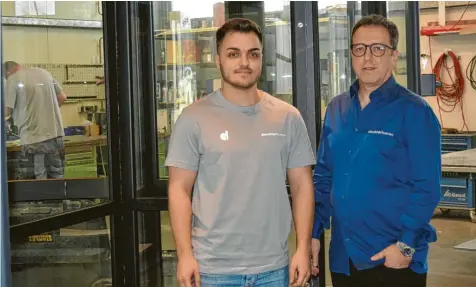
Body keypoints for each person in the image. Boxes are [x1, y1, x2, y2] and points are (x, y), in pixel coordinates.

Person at [165, 18, 316, 287]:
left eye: (253, 54)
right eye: (233, 54)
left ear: (261, 59)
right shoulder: (193, 118)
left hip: (273, 266)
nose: (244, 62)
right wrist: (185, 254)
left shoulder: (287, 117)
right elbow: (179, 190)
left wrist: (302, 249)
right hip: (211, 269)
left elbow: (302, 186)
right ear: (218, 59)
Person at [311, 14, 441, 287]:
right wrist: (313, 233)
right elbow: (323, 177)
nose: (367, 57)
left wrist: (406, 246)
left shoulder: (415, 111)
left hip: (391, 259)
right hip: (344, 259)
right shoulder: (336, 108)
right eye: (360, 48)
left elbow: (427, 187)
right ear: (351, 55)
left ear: (393, 56)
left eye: (378, 48)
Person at [4, 61, 67, 179]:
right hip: (56, 134)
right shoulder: (44, 73)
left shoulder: (12, 79)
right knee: (57, 175)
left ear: (8, 73)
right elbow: (62, 97)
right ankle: (61, 198)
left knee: (37, 180)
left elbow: (7, 111)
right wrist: (46, 112)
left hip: (33, 138)